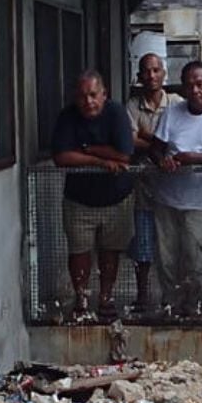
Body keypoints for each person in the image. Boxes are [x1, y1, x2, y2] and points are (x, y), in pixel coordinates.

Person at [149, 60, 202, 318]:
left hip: (201, 198)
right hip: (167, 196)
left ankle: (194, 302)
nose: (195, 90)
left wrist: (189, 158)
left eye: (200, 84)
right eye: (189, 86)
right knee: (166, 256)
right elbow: (156, 147)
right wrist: (162, 160)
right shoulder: (173, 112)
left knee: (197, 255)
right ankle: (170, 303)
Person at [50, 68, 136, 320]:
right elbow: (61, 157)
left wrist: (86, 149)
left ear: (104, 94)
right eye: (82, 96)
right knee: (79, 251)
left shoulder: (117, 113)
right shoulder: (68, 116)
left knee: (111, 251)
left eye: (93, 95)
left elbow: (124, 154)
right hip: (79, 199)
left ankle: (106, 299)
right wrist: (99, 160)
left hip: (117, 197)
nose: (88, 101)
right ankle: (82, 299)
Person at [125, 53, 169, 312]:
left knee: (171, 248)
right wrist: (159, 142)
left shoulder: (176, 103)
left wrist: (146, 136)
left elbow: (177, 141)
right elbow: (129, 141)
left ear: (163, 73)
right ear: (139, 76)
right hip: (143, 189)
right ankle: (143, 298)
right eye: (146, 71)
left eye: (156, 70)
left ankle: (171, 298)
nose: (151, 76)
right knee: (142, 248)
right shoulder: (132, 106)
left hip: (173, 190)